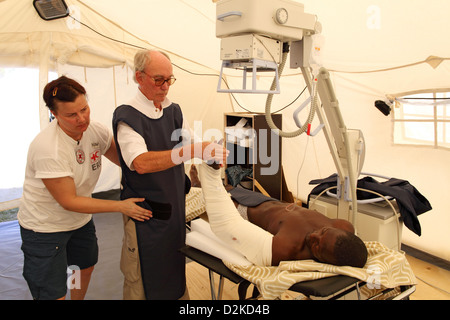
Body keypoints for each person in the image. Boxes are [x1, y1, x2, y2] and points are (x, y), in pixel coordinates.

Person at [18, 76, 152, 300]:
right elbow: (69, 201)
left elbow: (126, 161)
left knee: (81, 268)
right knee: (52, 292)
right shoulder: (48, 147)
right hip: (45, 229)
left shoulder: (95, 132)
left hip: (79, 222)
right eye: (71, 115)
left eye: (84, 109)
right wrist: (121, 206)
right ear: (55, 114)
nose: (81, 118)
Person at [112, 49, 228, 300]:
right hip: (146, 218)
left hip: (173, 212)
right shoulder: (127, 117)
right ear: (139, 77)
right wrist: (191, 151)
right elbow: (140, 163)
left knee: (174, 273)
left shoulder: (172, 110)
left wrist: (210, 154)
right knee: (143, 283)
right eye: (158, 80)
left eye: (169, 79)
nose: (165, 86)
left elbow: (190, 141)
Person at [195, 162, 368, 268]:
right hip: (269, 202)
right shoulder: (345, 227)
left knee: (217, 196)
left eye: (316, 246)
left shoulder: (285, 249)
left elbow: (228, 225)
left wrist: (211, 173)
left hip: (247, 212)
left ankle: (198, 186)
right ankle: (203, 185)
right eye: (323, 231)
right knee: (231, 189)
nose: (314, 235)